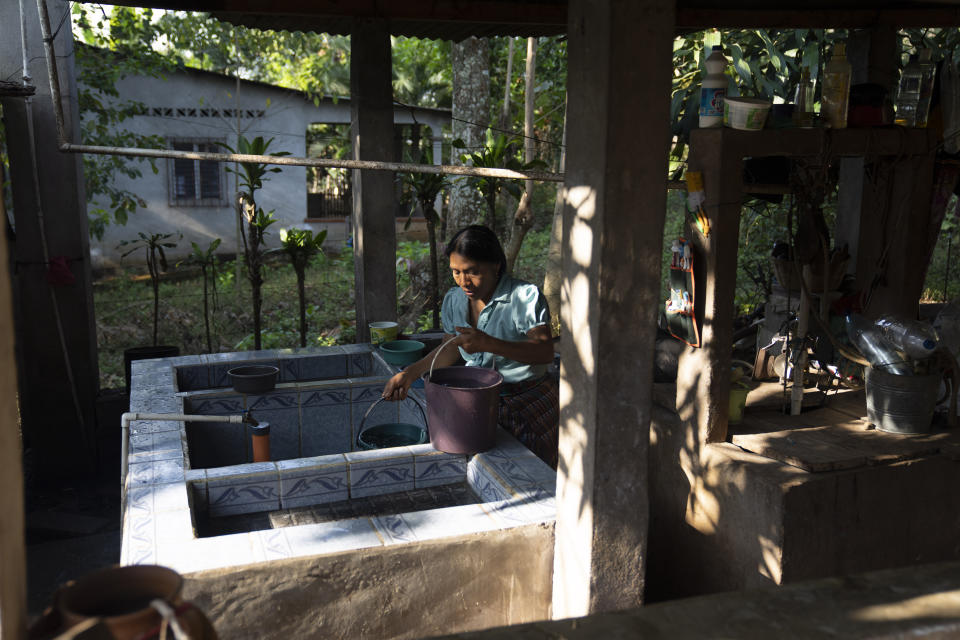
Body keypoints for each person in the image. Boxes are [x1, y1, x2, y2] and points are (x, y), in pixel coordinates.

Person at [382, 225, 559, 468]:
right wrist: (410, 373)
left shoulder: (523, 297)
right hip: (478, 401)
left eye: (472, 272)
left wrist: (489, 344)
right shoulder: (455, 300)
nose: (464, 281)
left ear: (496, 265)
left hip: (526, 402)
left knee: (532, 475)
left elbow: (544, 352)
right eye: (456, 272)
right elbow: (451, 347)